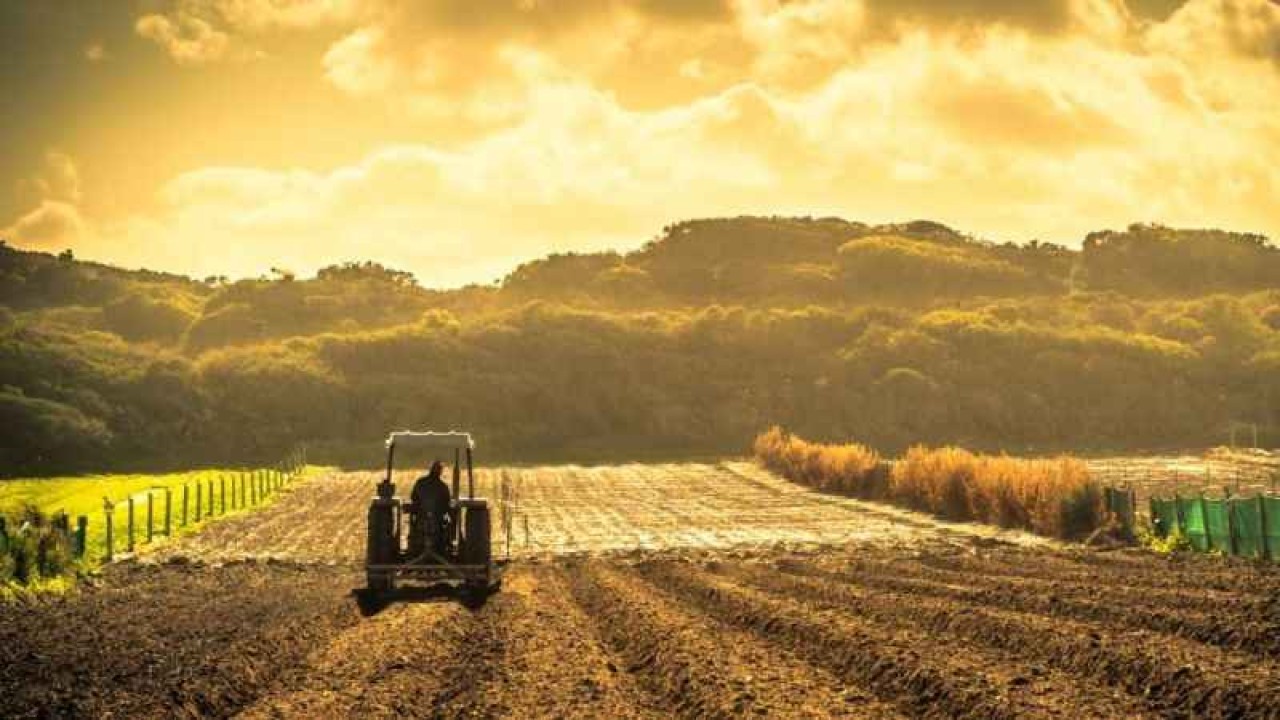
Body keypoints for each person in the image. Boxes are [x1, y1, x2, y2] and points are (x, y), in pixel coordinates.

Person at [408, 460, 452, 562]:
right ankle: (446, 545)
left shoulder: (420, 483)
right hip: (437, 523)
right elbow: (447, 504)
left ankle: (416, 548)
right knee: (447, 522)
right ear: (440, 472)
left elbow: (413, 498)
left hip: (421, 521)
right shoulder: (442, 487)